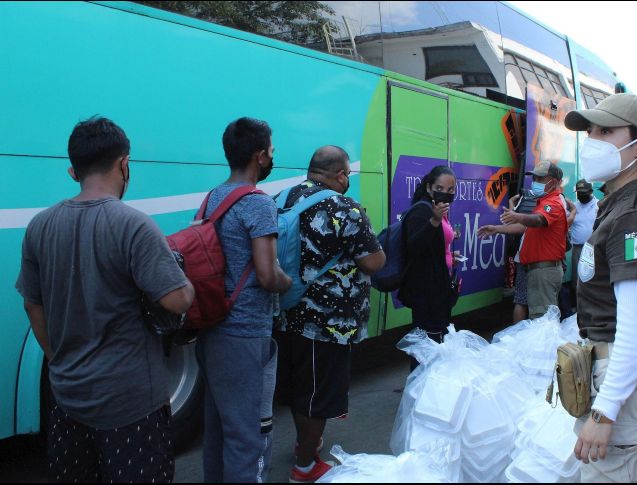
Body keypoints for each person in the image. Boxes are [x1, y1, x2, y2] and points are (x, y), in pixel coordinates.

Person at [15, 117, 194, 483]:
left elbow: (32, 304)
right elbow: (177, 301)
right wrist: (186, 283)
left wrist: (57, 358)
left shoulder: (40, 226)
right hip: (131, 405)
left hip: (67, 400)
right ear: (124, 164)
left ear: (72, 171)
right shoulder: (134, 225)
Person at [564, 93, 637, 482]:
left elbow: (635, 327)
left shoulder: (634, 214)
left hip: (628, 384)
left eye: (605, 131)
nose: (592, 140)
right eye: (590, 131)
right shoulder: (631, 204)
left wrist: (604, 413)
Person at [275, 146, 385, 483]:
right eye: (347, 175)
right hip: (327, 323)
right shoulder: (343, 207)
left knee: (299, 387)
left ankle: (302, 445)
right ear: (340, 174)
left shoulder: (281, 198)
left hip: (286, 311)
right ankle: (305, 467)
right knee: (318, 397)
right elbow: (372, 262)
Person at [195, 117, 293, 483]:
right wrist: (289, 283)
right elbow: (268, 276)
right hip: (244, 333)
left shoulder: (211, 198)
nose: (272, 156)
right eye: (270, 150)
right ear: (258, 156)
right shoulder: (257, 203)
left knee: (219, 430)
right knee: (247, 436)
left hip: (213, 329)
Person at [398, 165, 463, 362]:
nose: (445, 193)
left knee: (437, 344)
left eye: (451, 190)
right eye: (440, 188)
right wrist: (434, 221)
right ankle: (419, 388)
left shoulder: (438, 210)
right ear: (429, 187)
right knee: (427, 346)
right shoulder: (422, 210)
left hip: (438, 288)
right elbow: (414, 247)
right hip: (426, 291)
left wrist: (451, 255)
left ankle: (430, 388)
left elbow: (435, 246)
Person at [499, 161, 568, 319]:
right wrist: (497, 229)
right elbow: (527, 226)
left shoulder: (554, 203)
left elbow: (538, 220)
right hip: (537, 270)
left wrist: (517, 216)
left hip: (543, 272)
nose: (536, 182)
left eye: (541, 179)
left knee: (541, 323)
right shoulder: (543, 202)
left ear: (555, 182)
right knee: (540, 320)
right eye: (535, 178)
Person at [569, 179, 599, 309]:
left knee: (594, 282)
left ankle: (594, 309)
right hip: (578, 249)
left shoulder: (599, 205)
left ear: (591, 191)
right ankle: (578, 311)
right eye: (579, 192)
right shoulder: (574, 207)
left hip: (595, 249)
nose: (581, 195)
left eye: (584, 192)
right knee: (577, 282)